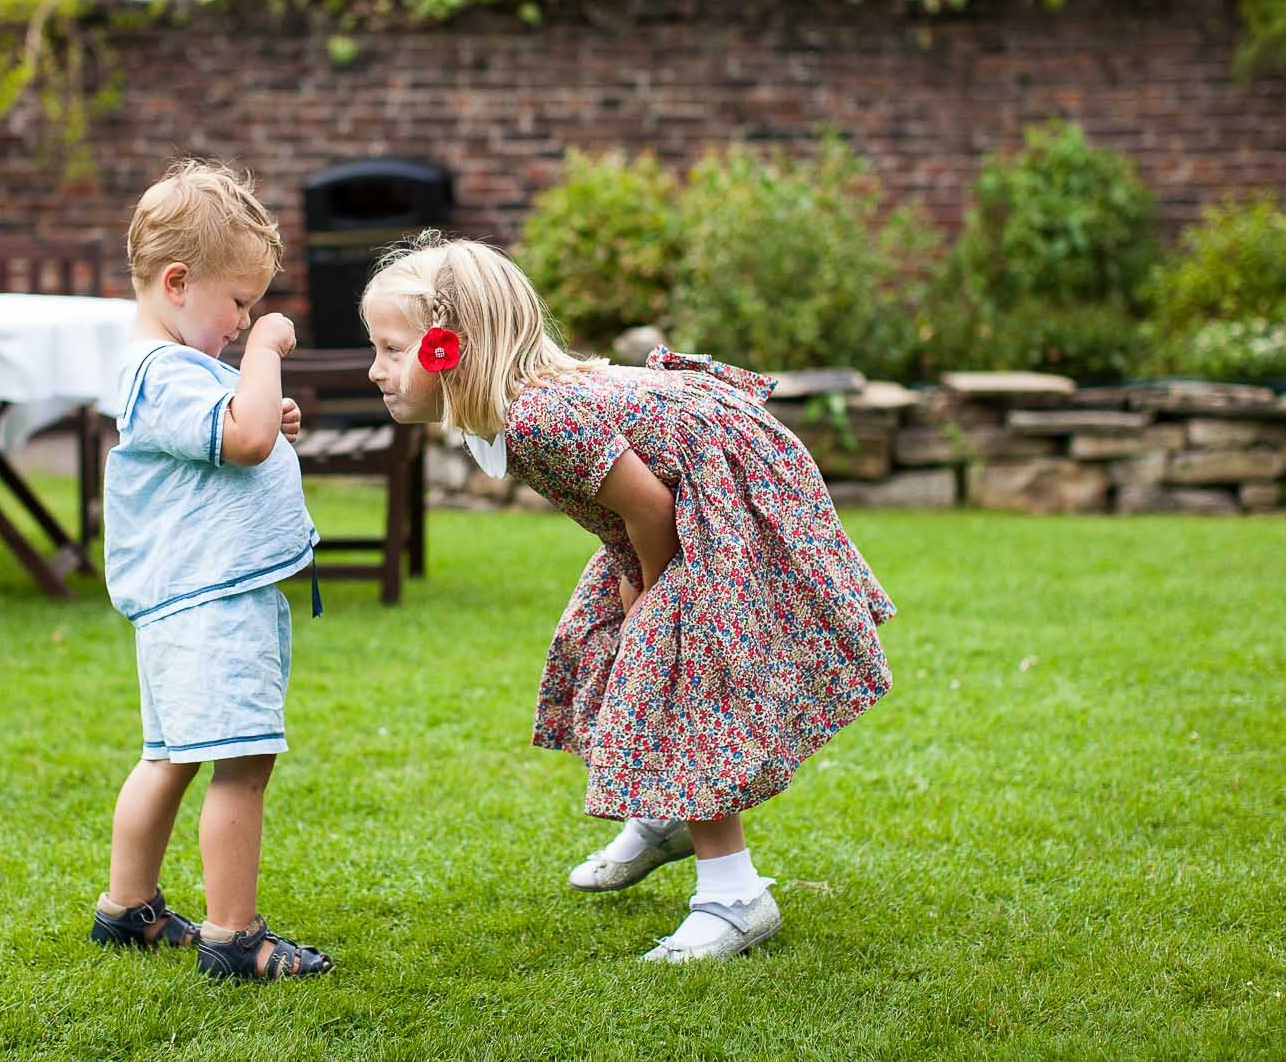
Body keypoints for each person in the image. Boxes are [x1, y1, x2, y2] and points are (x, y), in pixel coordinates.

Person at [362, 233, 894, 962]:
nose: (376, 369)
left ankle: (735, 895)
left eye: (392, 350)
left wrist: (646, 586)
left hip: (716, 504)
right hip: (677, 506)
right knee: (603, 645)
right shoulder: (520, 406)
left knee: (682, 681)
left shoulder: (537, 416)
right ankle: (663, 816)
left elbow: (651, 509)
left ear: (449, 348)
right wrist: (629, 582)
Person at [90, 158, 333, 981]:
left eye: (252, 310)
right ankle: (236, 936)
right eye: (238, 303)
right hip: (211, 601)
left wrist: (258, 391)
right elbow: (247, 439)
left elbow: (241, 426)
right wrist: (267, 353)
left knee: (170, 754)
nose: (244, 321)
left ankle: (129, 909)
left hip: (186, 601)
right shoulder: (160, 370)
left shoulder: (166, 369)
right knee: (242, 760)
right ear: (177, 281)